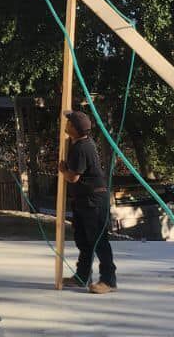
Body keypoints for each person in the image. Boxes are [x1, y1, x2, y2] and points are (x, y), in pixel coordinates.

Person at [58, 108, 117, 293]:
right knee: (84, 240)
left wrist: (63, 170)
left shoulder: (82, 148)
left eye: (69, 122)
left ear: (75, 128)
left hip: (94, 200)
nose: (66, 124)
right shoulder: (78, 143)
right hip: (84, 199)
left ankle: (109, 281)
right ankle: (82, 276)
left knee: (99, 240)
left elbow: (73, 177)